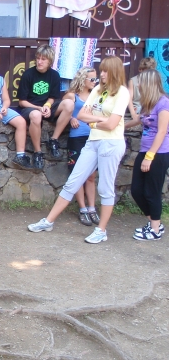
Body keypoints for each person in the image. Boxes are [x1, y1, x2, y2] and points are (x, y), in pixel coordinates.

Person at [28, 56, 129, 244]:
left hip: (111, 143)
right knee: (72, 182)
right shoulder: (97, 90)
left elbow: (112, 125)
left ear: (114, 72)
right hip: (93, 141)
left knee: (105, 188)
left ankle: (101, 230)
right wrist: (100, 121)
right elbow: (82, 114)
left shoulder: (122, 92)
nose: (101, 75)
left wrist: (94, 122)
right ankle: (48, 221)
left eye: (105, 71)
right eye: (101, 70)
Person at [17, 44, 73, 168]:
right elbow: (22, 102)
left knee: (69, 103)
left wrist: (47, 106)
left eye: (43, 59)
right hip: (30, 108)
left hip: (47, 107)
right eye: (38, 58)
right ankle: (37, 152)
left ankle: (53, 140)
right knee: (36, 115)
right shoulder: (28, 74)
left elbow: (53, 97)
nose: (39, 61)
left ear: (50, 62)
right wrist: (39, 108)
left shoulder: (54, 75)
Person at [130, 69, 169, 241]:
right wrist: (117, 126)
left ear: (149, 84)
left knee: (151, 192)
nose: (138, 85)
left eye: (141, 82)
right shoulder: (148, 103)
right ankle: (155, 223)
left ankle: (155, 230)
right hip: (145, 151)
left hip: (158, 154)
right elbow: (137, 120)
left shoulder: (164, 103)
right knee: (136, 190)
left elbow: (162, 131)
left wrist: (150, 156)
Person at [62, 67, 100, 226]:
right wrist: (71, 118)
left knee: (91, 176)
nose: (95, 82)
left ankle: (92, 208)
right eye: (92, 79)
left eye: (96, 79)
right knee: (77, 174)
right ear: (83, 79)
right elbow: (61, 110)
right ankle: (82, 208)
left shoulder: (96, 95)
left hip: (93, 137)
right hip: (76, 138)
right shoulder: (72, 95)